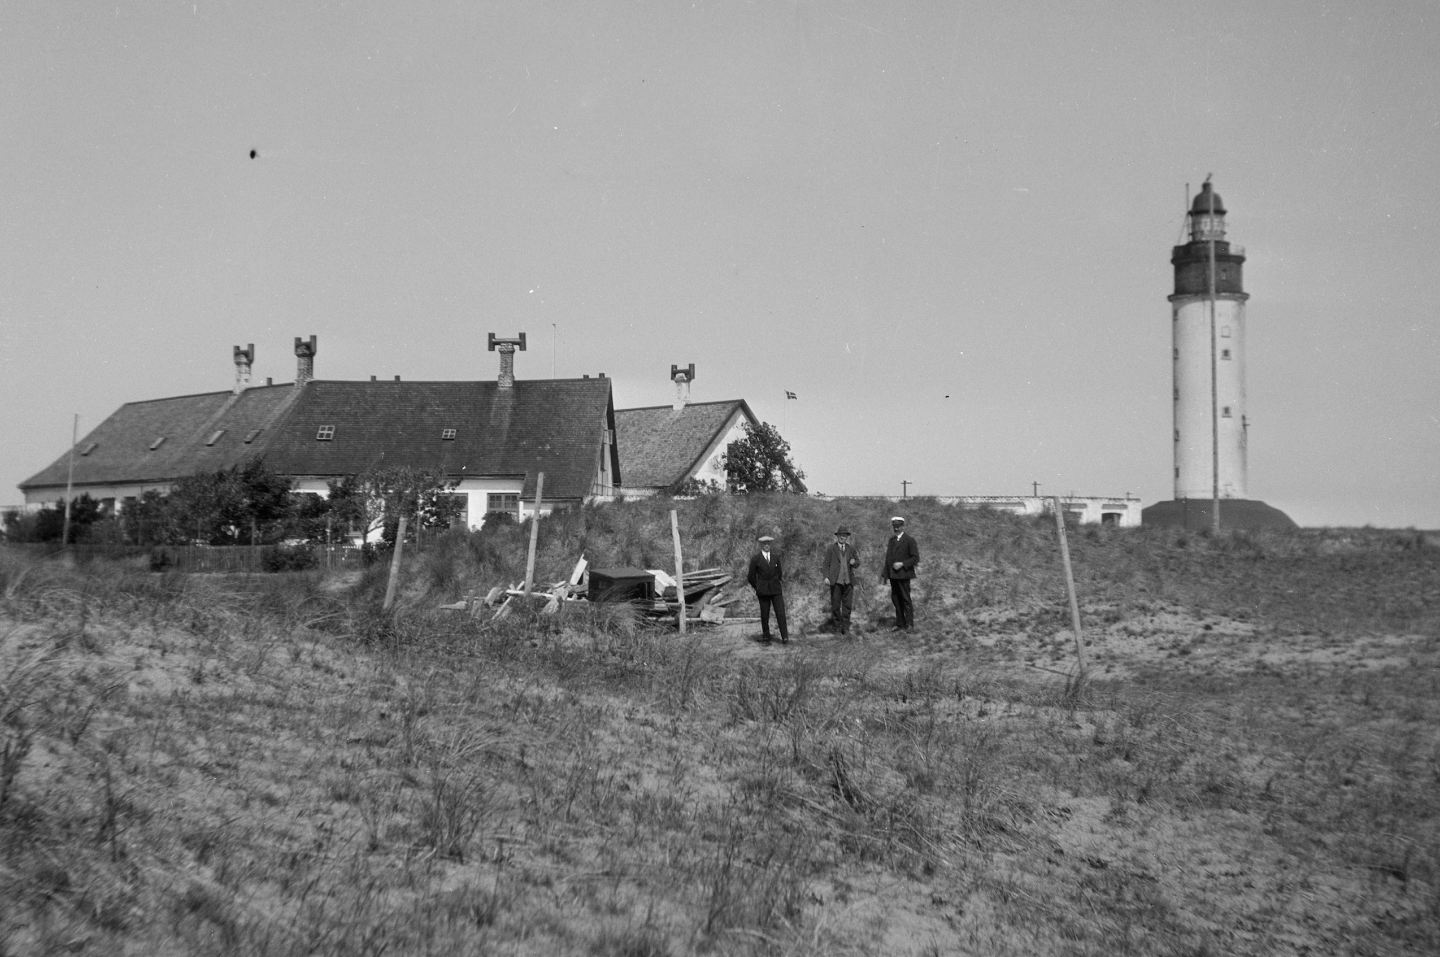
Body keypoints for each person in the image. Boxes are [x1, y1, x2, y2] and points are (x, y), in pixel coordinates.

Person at [746, 534, 789, 644]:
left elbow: (779, 573)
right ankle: (766, 637)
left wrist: (775, 582)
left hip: (775, 590)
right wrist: (758, 586)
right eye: (764, 543)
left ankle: (785, 637)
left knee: (780, 612)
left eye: (768, 543)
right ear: (761, 544)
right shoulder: (756, 559)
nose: (766, 545)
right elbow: (750, 576)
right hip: (763, 591)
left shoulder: (775, 558)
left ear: (770, 544)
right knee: (765, 614)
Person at [820, 525, 861, 635]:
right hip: (836, 581)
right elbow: (825, 565)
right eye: (841, 535)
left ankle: (846, 628)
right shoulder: (831, 548)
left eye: (845, 535)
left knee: (847, 606)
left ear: (847, 537)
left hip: (848, 582)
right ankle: (837, 627)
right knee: (836, 606)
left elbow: (857, 562)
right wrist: (826, 577)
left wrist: (854, 562)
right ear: (837, 536)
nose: (843, 537)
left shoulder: (850, 549)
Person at [881, 516, 920, 630]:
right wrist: (885, 574)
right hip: (893, 576)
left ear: (903, 526)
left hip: (903, 575)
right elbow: (888, 558)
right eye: (894, 526)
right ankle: (900, 623)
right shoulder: (891, 540)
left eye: (898, 526)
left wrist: (902, 564)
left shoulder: (909, 540)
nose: (896, 529)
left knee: (905, 599)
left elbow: (915, 558)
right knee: (896, 599)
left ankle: (909, 624)